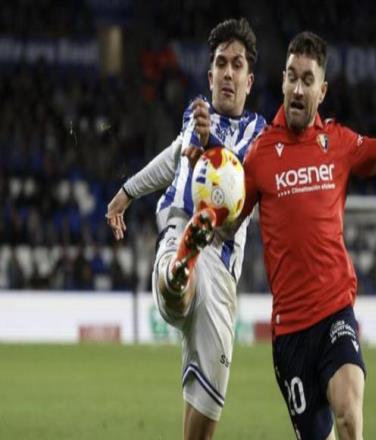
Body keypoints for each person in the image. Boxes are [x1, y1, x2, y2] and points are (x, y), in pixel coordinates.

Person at [241, 31, 376, 440]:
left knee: (348, 415)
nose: (298, 89)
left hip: (335, 311)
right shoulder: (259, 156)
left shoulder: (338, 143)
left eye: (307, 79)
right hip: (290, 334)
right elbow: (228, 220)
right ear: (282, 81)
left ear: (322, 90)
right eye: (291, 77)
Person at [106, 18, 266, 439]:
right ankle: (178, 273)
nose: (227, 73)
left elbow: (238, 179)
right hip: (182, 229)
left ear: (249, 81)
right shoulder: (195, 114)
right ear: (209, 75)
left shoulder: (261, 134)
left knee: (202, 426)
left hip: (223, 265)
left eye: (236, 65)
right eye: (220, 64)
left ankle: (182, 271)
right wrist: (127, 191)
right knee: (178, 290)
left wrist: (210, 143)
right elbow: (173, 155)